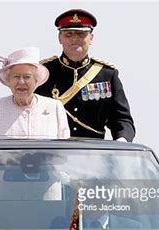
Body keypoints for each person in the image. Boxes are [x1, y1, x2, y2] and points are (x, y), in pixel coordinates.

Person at [35, 9, 135, 141]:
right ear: (60, 38)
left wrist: (122, 140)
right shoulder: (42, 71)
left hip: (92, 153)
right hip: (51, 150)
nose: (75, 39)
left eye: (81, 34)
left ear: (91, 38)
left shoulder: (106, 74)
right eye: (68, 34)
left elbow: (121, 119)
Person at [0, 47, 70, 138]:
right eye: (16, 76)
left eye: (27, 77)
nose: (21, 82)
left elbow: (65, 148)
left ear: (36, 80)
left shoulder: (54, 107)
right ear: (9, 80)